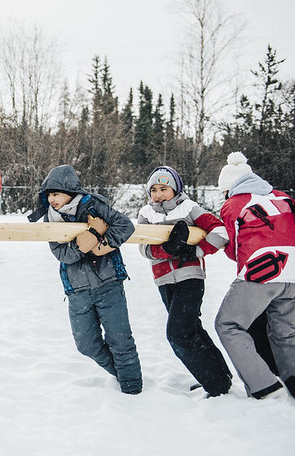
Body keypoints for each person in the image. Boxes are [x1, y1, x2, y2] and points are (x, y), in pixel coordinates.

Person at [37, 164, 142, 394]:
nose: (51, 199)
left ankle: (133, 390)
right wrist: (91, 237)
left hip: (109, 283)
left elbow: (125, 225)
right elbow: (61, 254)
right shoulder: (50, 220)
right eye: (49, 195)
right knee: (86, 344)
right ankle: (122, 373)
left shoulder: (93, 205)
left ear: (70, 191)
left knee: (120, 340)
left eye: (56, 194)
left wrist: (103, 246)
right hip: (77, 290)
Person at [136, 166, 233, 397]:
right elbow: (143, 247)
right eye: (154, 190)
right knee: (192, 328)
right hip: (164, 279)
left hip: (190, 276)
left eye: (164, 188)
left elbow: (220, 232)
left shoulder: (189, 208)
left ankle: (216, 385)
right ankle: (220, 375)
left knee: (178, 333)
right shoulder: (146, 214)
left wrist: (195, 251)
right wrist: (166, 250)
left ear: (175, 189)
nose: (158, 194)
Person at [214, 152, 295, 399]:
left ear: (228, 188)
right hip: (293, 270)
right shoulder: (283, 197)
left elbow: (234, 248)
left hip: (262, 269)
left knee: (228, 324)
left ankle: (264, 385)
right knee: (286, 331)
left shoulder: (234, 203)